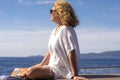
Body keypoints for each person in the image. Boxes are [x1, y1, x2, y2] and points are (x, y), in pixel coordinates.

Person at [25, 1, 88, 80]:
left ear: (59, 13)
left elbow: (71, 52)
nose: (50, 13)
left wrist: (74, 75)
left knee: (30, 72)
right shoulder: (54, 31)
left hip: (62, 70)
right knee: (26, 71)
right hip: (52, 66)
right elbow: (51, 51)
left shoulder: (66, 29)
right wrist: (41, 64)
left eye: (51, 11)